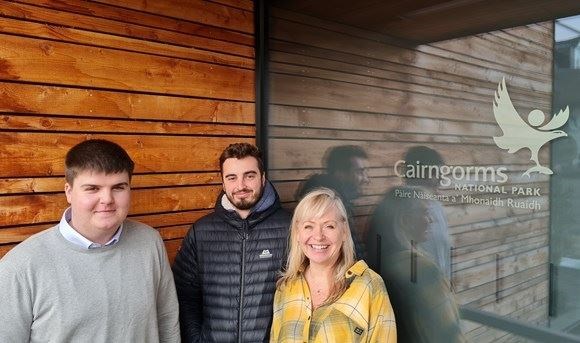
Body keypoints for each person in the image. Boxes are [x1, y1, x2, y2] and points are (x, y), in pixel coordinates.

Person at [0, 139, 180, 342]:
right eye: (93, 188)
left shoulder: (149, 242)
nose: (107, 199)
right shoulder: (20, 266)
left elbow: (167, 319)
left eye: (118, 187)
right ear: (69, 192)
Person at [173, 143, 291, 342]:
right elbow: (185, 296)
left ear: (263, 178)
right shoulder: (201, 231)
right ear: (223, 182)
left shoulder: (291, 227)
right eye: (232, 177)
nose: (241, 185)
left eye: (249, 175)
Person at [271, 188, 396, 343]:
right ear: (297, 233)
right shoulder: (286, 288)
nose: (318, 236)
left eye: (329, 226)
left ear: (344, 232)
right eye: (309, 226)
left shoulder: (369, 285)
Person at [367, 186, 465, 343]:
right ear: (405, 220)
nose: (431, 220)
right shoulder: (421, 270)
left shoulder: (378, 267)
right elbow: (449, 335)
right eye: (425, 213)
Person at [297, 145, 370, 259]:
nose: (366, 179)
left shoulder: (341, 203)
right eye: (360, 172)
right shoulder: (333, 208)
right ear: (341, 173)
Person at [403, 146, 452, 278]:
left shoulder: (436, 206)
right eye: (436, 173)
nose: (441, 178)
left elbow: (444, 252)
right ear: (421, 173)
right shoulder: (401, 209)